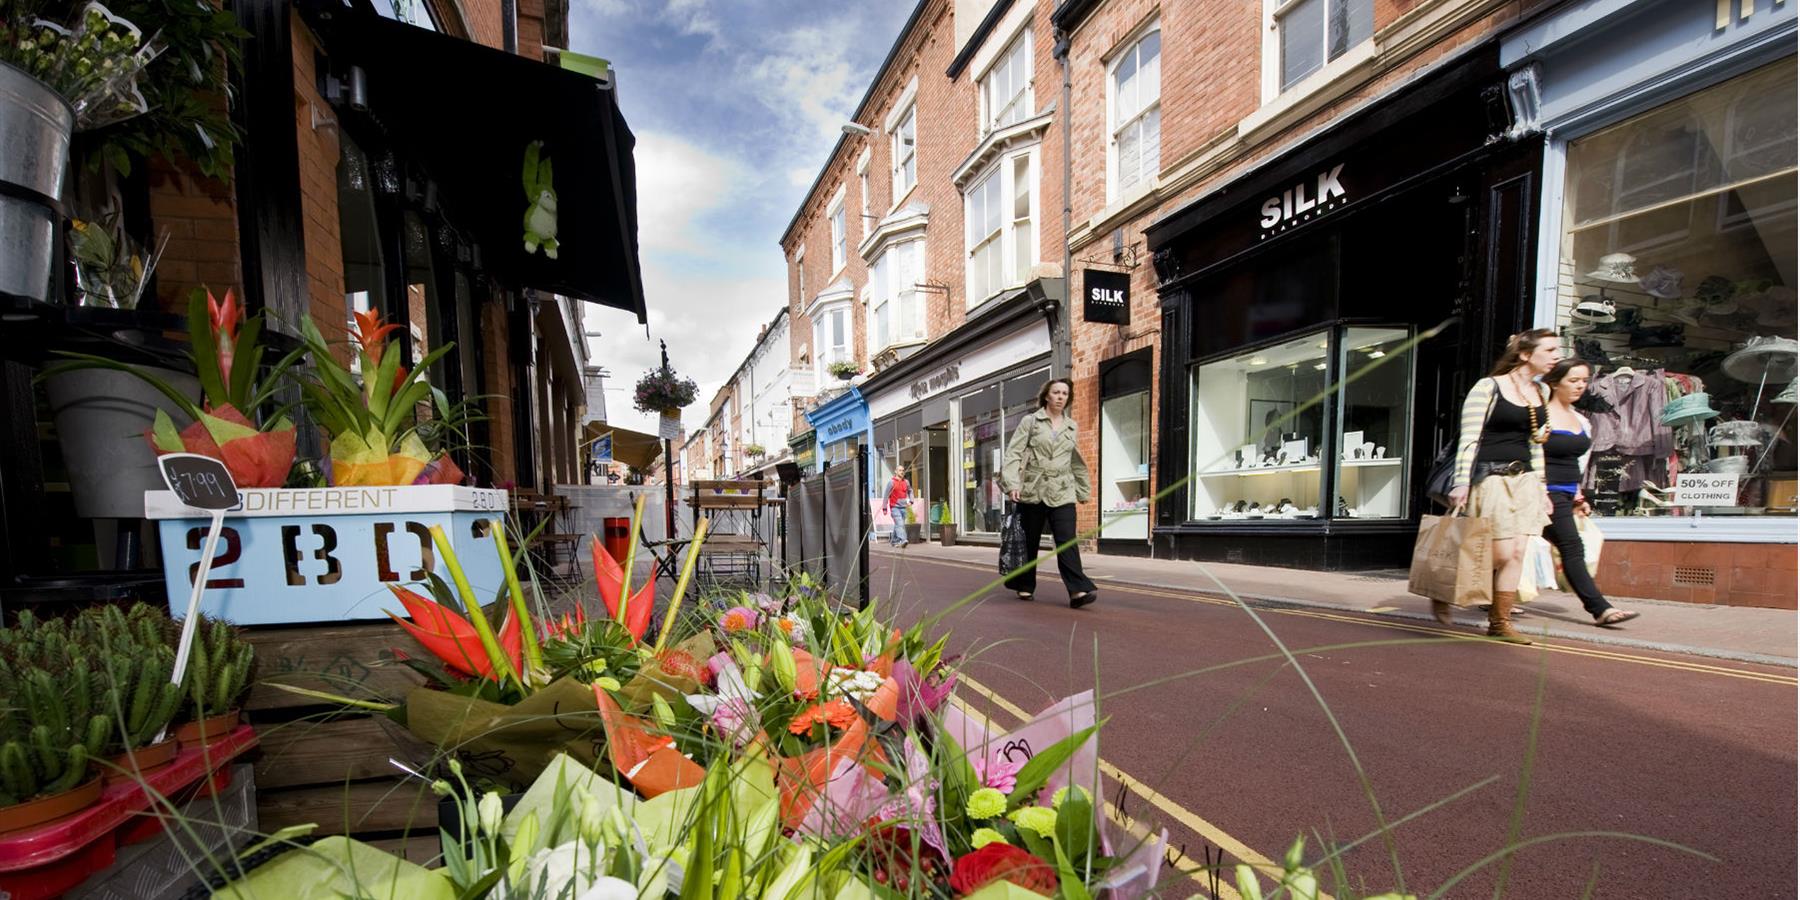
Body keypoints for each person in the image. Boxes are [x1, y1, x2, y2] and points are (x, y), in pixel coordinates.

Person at [1443, 329, 1560, 643]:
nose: (1556, 356)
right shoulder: (1489, 387)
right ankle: (1447, 580)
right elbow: (1469, 439)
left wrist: (1543, 487)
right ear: (1525, 354)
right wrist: (1461, 482)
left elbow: (1537, 444)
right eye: (1549, 350)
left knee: (1518, 552)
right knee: (1502, 551)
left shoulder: (1543, 393)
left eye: (1556, 350)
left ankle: (1500, 622)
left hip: (1525, 481)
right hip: (1490, 477)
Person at [1541, 359, 1641, 627]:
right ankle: (1600, 609)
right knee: (1571, 546)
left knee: (1515, 549)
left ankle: (1491, 599)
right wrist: (1538, 491)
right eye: (1573, 380)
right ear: (1554, 382)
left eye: (1584, 381)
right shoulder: (1539, 416)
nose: (1580, 386)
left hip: (1564, 494)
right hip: (1541, 493)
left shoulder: (1581, 421)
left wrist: (1578, 497)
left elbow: (1579, 463)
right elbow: (1530, 455)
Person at [1001, 378, 1098, 608]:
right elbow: (1013, 454)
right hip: (1034, 490)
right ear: (1047, 395)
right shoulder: (1031, 422)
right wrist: (1013, 484)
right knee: (1030, 541)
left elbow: (1075, 461)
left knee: (1066, 540)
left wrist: (1083, 490)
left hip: (1063, 491)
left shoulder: (1071, 426)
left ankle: (1077, 591)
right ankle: (1025, 585)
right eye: (1056, 392)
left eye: (1065, 393)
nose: (1060, 396)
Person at [886, 466, 911, 548]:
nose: (902, 472)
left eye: (903, 470)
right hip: (894, 507)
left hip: (903, 507)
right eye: (900, 470)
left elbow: (910, 491)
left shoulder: (906, 482)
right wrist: (884, 508)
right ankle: (903, 540)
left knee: (899, 524)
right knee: (900, 524)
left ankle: (894, 541)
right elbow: (886, 495)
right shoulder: (891, 482)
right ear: (895, 471)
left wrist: (911, 500)